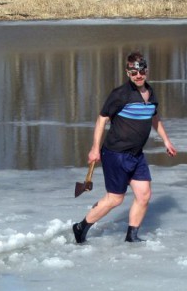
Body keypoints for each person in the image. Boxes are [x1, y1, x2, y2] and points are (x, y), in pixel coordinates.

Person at [73, 51, 177, 244]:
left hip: (136, 155)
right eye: (133, 72)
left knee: (144, 194)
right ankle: (81, 227)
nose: (138, 75)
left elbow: (154, 116)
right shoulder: (120, 94)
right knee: (115, 199)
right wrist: (95, 148)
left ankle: (132, 236)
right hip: (115, 154)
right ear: (127, 73)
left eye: (141, 71)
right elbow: (102, 118)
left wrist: (166, 140)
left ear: (146, 70)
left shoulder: (150, 92)